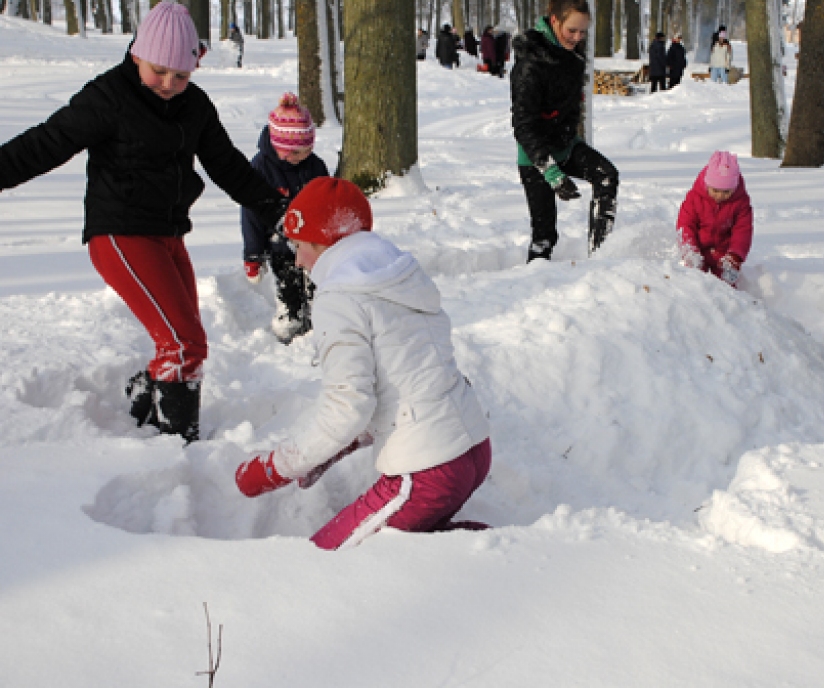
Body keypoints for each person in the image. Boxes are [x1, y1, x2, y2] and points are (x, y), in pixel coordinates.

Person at [0, 1, 288, 443]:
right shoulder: (108, 97)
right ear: (137, 53)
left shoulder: (194, 106)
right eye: (159, 71)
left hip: (168, 236)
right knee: (184, 343)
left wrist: (276, 209)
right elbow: (47, 142)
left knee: (185, 338)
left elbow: (227, 166)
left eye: (182, 75)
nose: (170, 84)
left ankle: (143, 402)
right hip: (119, 233)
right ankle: (175, 444)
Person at [234, 178, 492, 550]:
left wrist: (277, 467)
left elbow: (347, 406)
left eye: (300, 246)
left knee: (325, 559)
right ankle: (483, 554)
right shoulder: (396, 277)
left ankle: (504, 562)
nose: (297, 259)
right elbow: (404, 380)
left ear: (325, 243)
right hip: (473, 450)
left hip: (425, 470)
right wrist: (330, 449)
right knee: (411, 544)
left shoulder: (340, 298)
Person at [510, 0, 619, 261]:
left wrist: (572, 137)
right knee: (545, 235)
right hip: (535, 156)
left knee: (606, 176)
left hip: (566, 145)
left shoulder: (573, 57)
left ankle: (601, 257)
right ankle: (533, 288)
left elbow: (571, 108)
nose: (577, 37)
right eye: (572, 30)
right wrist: (550, 171)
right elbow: (523, 125)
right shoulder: (531, 64)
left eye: (583, 32)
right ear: (554, 20)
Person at [240, 93, 328, 344]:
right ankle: (291, 317)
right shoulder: (260, 170)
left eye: (310, 148)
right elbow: (251, 216)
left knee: (317, 281)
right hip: (279, 243)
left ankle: (320, 317)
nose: (307, 154)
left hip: (312, 244)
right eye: (302, 151)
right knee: (289, 282)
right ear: (284, 150)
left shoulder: (314, 166)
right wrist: (253, 255)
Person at [677, 151, 752, 287]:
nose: (720, 196)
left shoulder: (740, 203)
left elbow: (743, 231)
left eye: (726, 192)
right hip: (699, 251)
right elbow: (686, 225)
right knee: (695, 284)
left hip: (724, 255)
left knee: (726, 287)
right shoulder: (694, 198)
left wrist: (735, 256)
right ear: (707, 184)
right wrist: (690, 251)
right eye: (715, 190)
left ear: (734, 188)